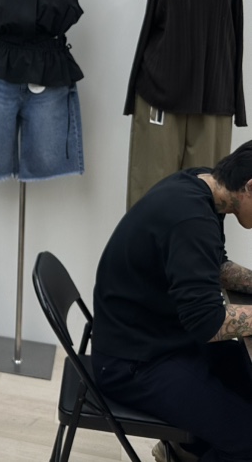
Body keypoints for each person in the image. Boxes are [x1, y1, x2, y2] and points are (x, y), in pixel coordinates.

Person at [92, 141, 252, 462]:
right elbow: (207, 322)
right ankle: (184, 450)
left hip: (159, 337)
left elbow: (214, 266)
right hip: (134, 363)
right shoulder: (191, 218)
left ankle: (183, 450)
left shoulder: (200, 186)